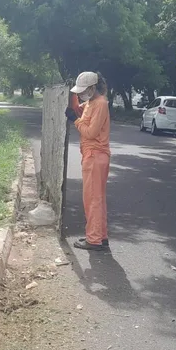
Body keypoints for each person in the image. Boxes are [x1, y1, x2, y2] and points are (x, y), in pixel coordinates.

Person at [65, 71, 111, 251]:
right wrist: (72, 99)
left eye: (83, 91)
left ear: (93, 88)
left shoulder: (100, 104)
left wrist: (75, 121)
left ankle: (93, 239)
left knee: (92, 199)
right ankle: (100, 236)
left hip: (95, 155)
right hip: (94, 156)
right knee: (96, 198)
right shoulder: (92, 103)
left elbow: (90, 132)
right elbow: (79, 109)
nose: (80, 94)